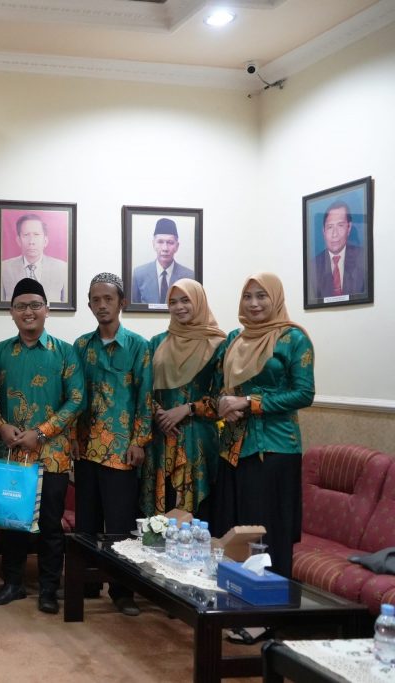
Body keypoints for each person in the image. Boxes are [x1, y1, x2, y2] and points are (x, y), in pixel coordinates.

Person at [0, 278, 84, 615]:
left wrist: (41, 433)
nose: (28, 312)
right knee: (12, 522)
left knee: (51, 525)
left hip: (51, 455)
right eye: (21, 306)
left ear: (47, 310)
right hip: (11, 454)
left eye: (35, 305)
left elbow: (77, 400)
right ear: (11, 312)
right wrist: (2, 426)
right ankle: (12, 584)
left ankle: (48, 589)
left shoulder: (65, 352)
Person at [215, 273, 314, 580]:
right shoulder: (234, 338)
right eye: (248, 296)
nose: (254, 303)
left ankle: (269, 617)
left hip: (275, 450)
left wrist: (249, 403)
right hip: (233, 449)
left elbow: (304, 393)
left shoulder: (293, 339)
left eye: (262, 296)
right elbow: (222, 387)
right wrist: (224, 403)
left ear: (276, 299)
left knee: (270, 534)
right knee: (234, 531)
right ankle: (235, 610)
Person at [73, 272, 153, 617]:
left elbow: (145, 398)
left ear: (121, 302)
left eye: (108, 299)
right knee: (86, 520)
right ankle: (87, 583)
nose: (102, 305)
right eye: (95, 299)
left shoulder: (139, 346)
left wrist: (139, 441)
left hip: (122, 449)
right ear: (89, 304)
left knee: (120, 523)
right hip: (87, 447)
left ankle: (122, 590)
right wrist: (74, 438)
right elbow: (74, 397)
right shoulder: (80, 347)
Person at [139, 279, 226, 519]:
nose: (179, 307)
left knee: (196, 517)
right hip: (160, 437)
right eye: (173, 302)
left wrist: (187, 409)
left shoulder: (219, 344)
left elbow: (224, 399)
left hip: (197, 439)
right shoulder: (156, 343)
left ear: (199, 301)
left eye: (185, 300)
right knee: (161, 511)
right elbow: (144, 389)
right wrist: (158, 413)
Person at [0, 214, 69, 303]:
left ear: (45, 241)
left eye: (36, 234)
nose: (31, 241)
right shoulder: (4, 268)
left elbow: (66, 306)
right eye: (26, 235)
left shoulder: (62, 268)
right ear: (19, 240)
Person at [131, 218, 196, 304]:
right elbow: (134, 309)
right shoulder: (139, 274)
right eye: (160, 242)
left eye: (170, 242)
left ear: (177, 246)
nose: (165, 248)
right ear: (153, 244)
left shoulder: (189, 276)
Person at [312, 201, 367, 299]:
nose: (334, 234)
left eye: (340, 225)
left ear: (349, 228)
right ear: (323, 231)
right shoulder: (313, 266)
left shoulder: (364, 258)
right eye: (330, 227)